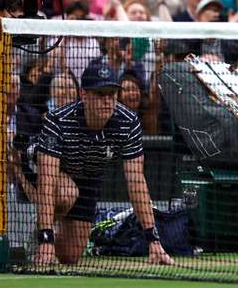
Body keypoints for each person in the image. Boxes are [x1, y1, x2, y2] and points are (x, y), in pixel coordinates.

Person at [32, 60, 173, 266]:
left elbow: (136, 182)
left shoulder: (128, 122)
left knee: (70, 256)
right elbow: (47, 179)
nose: (107, 101)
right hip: (48, 172)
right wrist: (46, 239)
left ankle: (46, 239)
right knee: (66, 194)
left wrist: (153, 239)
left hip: (89, 177)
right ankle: (41, 234)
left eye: (112, 94)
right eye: (100, 94)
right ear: (83, 94)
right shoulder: (58, 120)